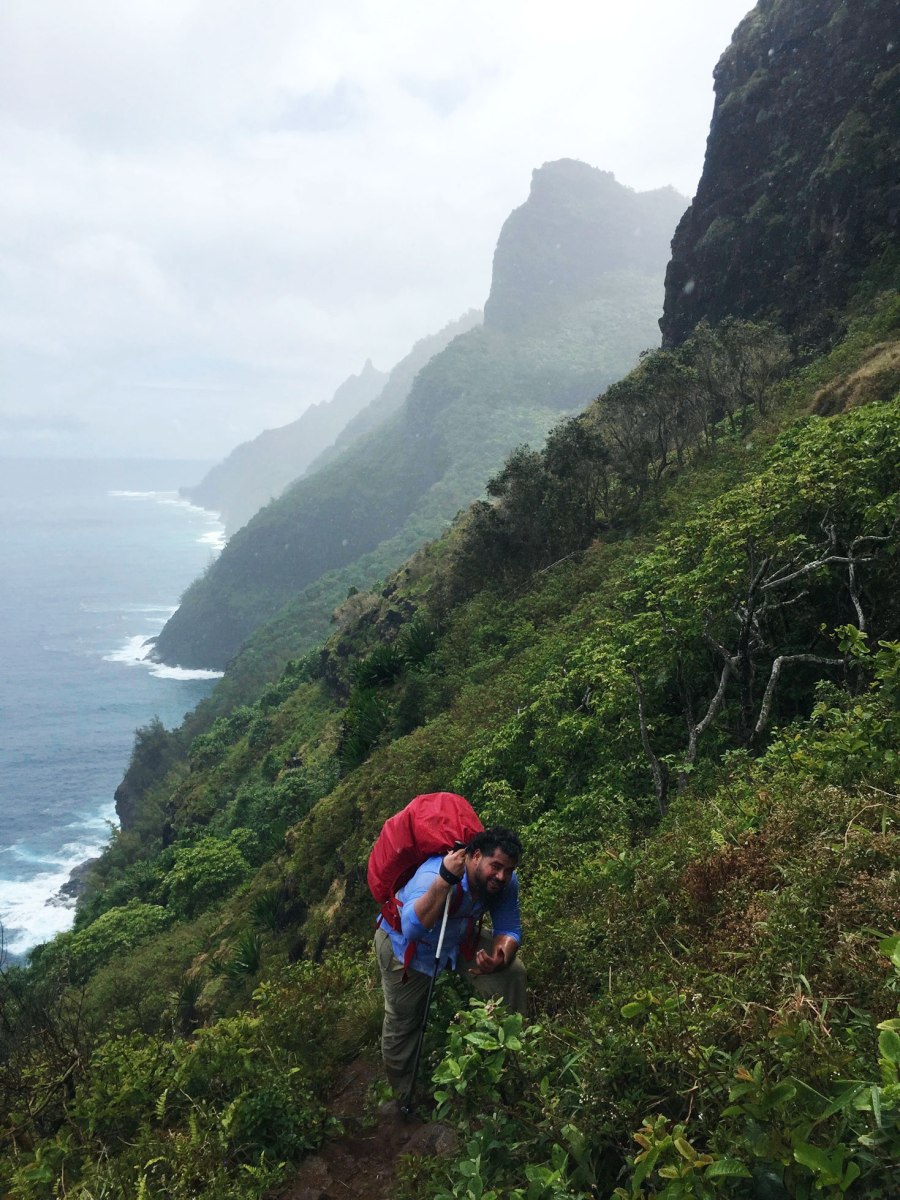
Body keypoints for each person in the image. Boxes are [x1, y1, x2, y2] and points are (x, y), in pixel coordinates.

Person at [374, 826, 526, 1102]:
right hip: (407, 948)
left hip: (456, 939)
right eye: (496, 866)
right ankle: (402, 1096)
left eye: (508, 870)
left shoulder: (504, 882)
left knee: (512, 972)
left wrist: (501, 956)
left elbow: (510, 927)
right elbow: (411, 928)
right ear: (475, 856)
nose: (502, 876)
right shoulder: (434, 874)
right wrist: (444, 882)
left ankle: (514, 1057)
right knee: (403, 1022)